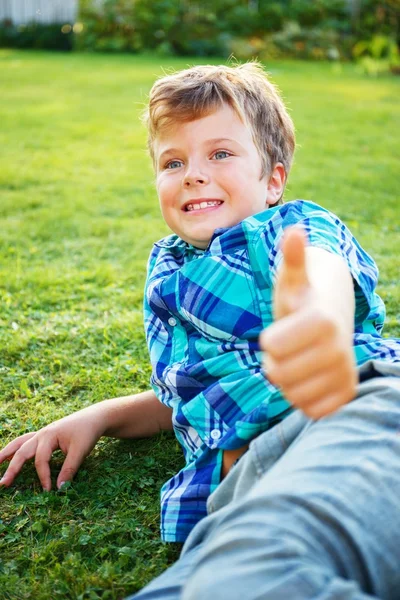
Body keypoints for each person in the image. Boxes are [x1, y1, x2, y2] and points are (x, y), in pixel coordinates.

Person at [1, 62, 400, 599]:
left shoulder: (290, 227)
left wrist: (318, 325)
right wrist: (101, 416)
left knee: (262, 570)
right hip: (245, 487)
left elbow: (319, 273)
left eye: (220, 153)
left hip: (352, 409)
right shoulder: (169, 269)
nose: (193, 173)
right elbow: (200, 395)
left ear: (273, 179)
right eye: (173, 161)